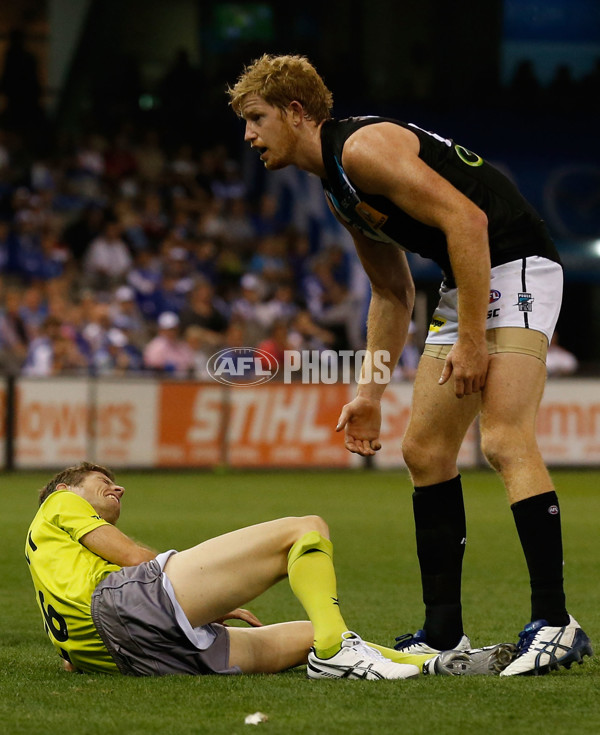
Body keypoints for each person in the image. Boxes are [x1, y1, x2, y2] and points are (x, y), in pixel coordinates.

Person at [227, 54, 593, 676]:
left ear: (295, 112)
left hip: (517, 263)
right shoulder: (338, 187)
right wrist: (368, 393)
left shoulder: (363, 150)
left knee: (504, 439)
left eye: (257, 118)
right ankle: (443, 632)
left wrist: (473, 338)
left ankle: (556, 624)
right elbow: (393, 294)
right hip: (470, 277)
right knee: (424, 450)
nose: (248, 135)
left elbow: (468, 220)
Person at [24, 462, 513, 680]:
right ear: (69, 487)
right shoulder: (60, 502)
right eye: (104, 481)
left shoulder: (48, 563)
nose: (119, 489)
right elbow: (131, 559)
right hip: (125, 607)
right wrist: (194, 592)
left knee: (307, 634)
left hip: (128, 657)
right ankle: (338, 654)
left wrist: (204, 601)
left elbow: (70, 658)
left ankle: (430, 664)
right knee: (304, 530)